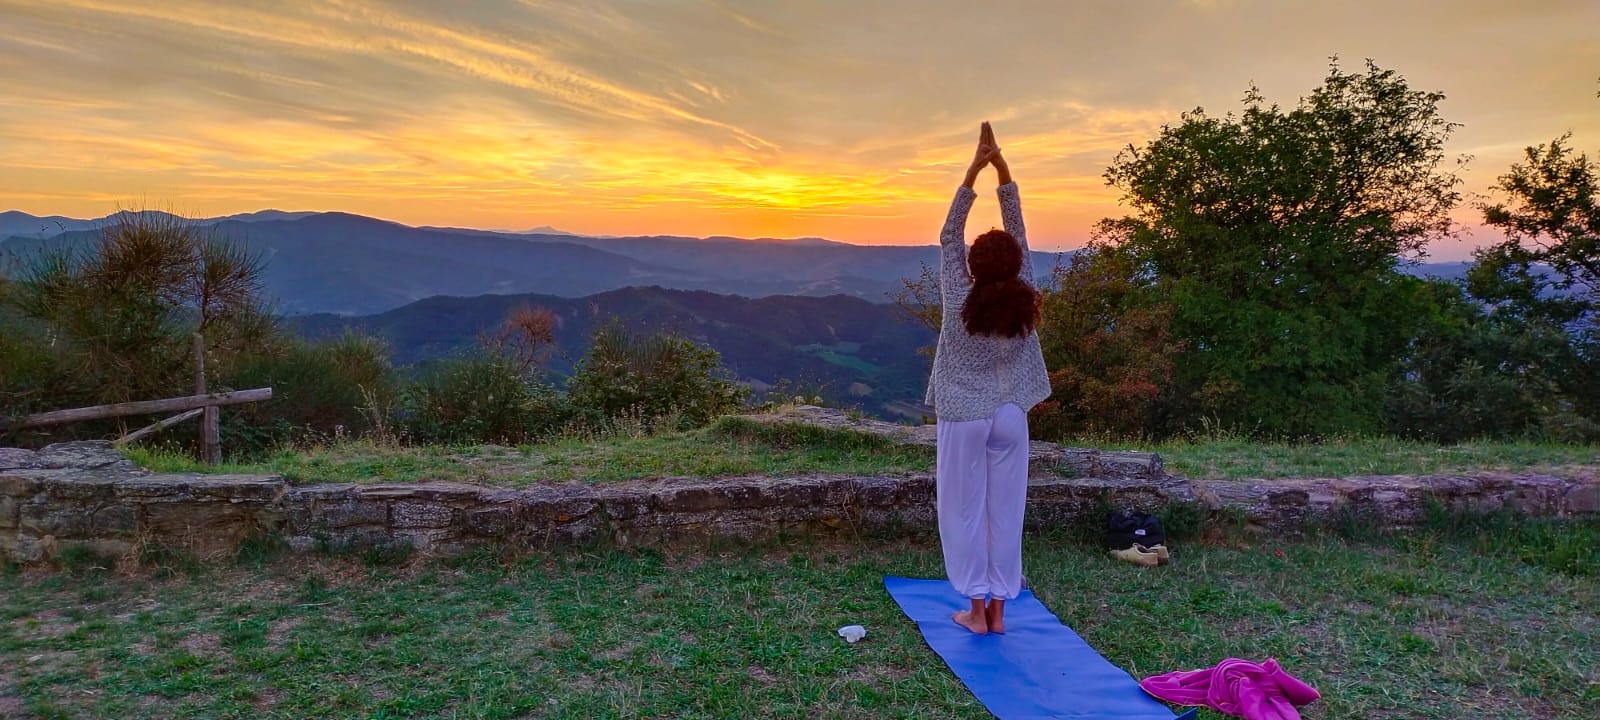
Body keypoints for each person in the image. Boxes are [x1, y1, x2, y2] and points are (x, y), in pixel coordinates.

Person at [926, 121, 1051, 635]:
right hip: (1009, 414)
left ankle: (975, 612)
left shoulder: (960, 295)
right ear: (1017, 264)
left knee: (963, 512)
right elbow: (1017, 229)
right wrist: (1003, 170)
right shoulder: (1026, 296)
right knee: (1006, 512)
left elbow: (948, 234)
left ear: (973, 265)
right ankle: (999, 613)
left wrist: (973, 172)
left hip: (965, 412)